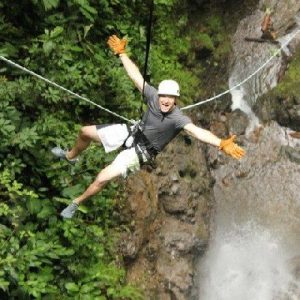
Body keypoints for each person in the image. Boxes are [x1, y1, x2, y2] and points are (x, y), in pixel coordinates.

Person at [52, 35, 245, 219]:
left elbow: (197, 131)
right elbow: (136, 77)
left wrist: (221, 143)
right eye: (164, 96)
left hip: (140, 152)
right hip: (131, 132)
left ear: (175, 99)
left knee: (103, 177)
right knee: (84, 132)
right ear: (159, 95)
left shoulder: (178, 118)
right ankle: (70, 157)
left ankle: (76, 202)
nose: (166, 100)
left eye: (170, 97)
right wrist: (122, 53)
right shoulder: (153, 96)